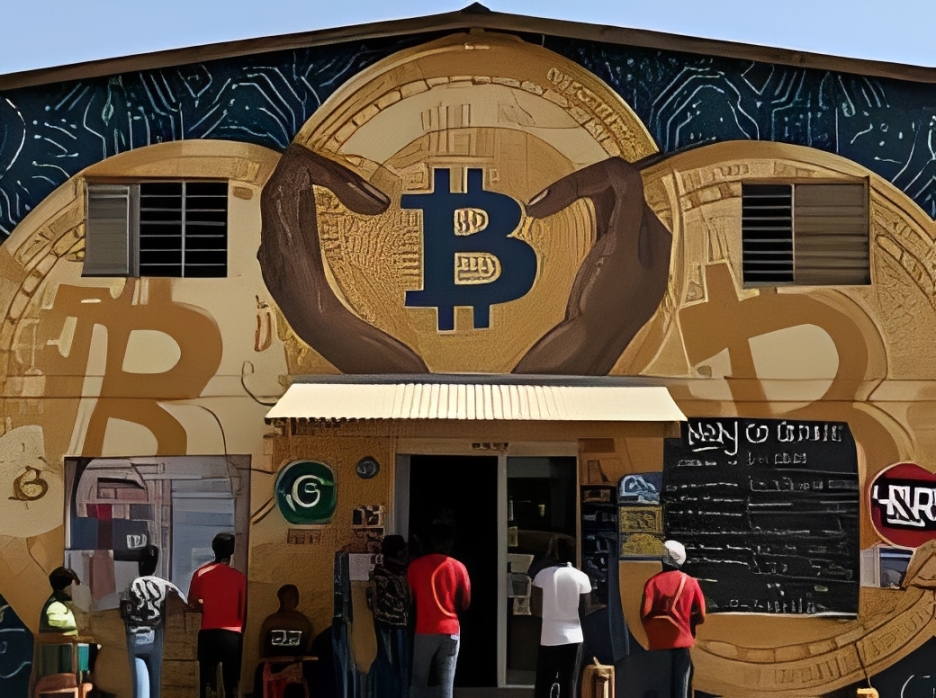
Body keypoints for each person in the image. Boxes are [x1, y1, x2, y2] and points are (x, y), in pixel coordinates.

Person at [407, 522, 470, 698]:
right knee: (446, 684)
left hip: (425, 630)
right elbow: (465, 603)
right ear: (449, 542)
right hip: (451, 630)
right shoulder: (459, 567)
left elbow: (409, 600)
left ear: (431, 541)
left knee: (418, 682)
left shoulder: (415, 567)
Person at [640, 540, 706, 698]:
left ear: (663, 559)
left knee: (659, 687)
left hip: (657, 644)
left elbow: (645, 613)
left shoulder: (652, 583)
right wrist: (688, 623)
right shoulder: (691, 582)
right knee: (681, 688)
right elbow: (702, 615)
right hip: (682, 642)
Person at [121, 545, 185, 698]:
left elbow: (123, 612)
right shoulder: (166, 586)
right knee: (156, 679)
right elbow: (184, 604)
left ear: (140, 563)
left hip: (134, 634)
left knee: (140, 681)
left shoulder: (131, 586)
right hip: (156, 634)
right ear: (155, 564)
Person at [188, 533, 247, 698]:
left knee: (208, 685)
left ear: (214, 549)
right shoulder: (240, 578)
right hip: (233, 636)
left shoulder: (201, 574)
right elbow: (243, 610)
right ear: (232, 551)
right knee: (231, 685)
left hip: (208, 633)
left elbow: (192, 604)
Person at [531, 537, 591, 698]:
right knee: (569, 683)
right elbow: (586, 609)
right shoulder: (581, 577)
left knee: (543, 684)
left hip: (548, 636)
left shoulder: (541, 575)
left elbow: (535, 610)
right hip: (574, 636)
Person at [367, 535, 410, 698]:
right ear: (399, 552)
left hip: (390, 626)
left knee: (392, 668)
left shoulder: (382, 573)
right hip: (390, 627)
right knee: (391, 669)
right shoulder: (388, 576)